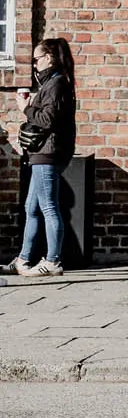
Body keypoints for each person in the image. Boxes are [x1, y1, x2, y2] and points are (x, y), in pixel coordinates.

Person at [1, 37, 77, 277]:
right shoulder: (53, 83)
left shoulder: (56, 83)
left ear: (49, 57)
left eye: (36, 59)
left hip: (48, 153)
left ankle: (53, 260)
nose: (34, 65)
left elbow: (47, 120)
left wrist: (25, 108)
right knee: (31, 207)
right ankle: (23, 259)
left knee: (48, 207)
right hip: (43, 153)